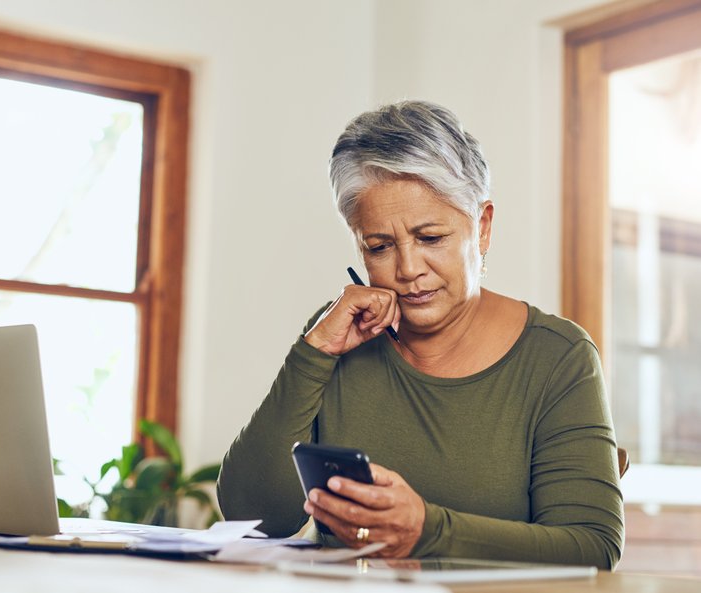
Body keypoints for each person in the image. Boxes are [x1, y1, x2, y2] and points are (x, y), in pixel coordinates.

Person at [216, 100, 624, 569]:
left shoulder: (557, 356)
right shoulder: (337, 336)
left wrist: (428, 531)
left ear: (483, 227)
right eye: (380, 246)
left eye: (431, 238)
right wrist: (314, 353)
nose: (408, 270)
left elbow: (592, 548)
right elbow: (254, 517)